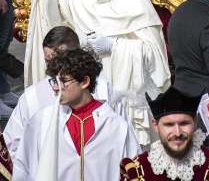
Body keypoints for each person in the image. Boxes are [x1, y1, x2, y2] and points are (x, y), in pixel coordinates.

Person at [20, 0, 170, 146]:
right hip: (82, 101)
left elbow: (157, 61)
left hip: (123, 106)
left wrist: (115, 45)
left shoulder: (139, 9)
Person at [12, 47, 140, 181]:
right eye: (54, 81)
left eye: (63, 81)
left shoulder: (115, 126)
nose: (55, 87)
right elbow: (23, 169)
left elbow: (133, 171)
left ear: (85, 82)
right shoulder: (42, 121)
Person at [4, 24, 129, 159]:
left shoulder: (103, 91)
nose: (53, 68)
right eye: (48, 62)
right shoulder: (31, 97)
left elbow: (125, 143)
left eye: (59, 60)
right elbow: (11, 146)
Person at [120, 86, 209, 181]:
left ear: (195, 122)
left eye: (184, 123)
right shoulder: (136, 171)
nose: (177, 133)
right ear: (155, 125)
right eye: (169, 125)